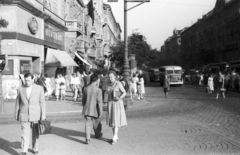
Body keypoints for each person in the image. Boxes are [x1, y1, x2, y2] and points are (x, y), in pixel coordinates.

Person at [14, 73, 46, 155]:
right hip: (24, 113)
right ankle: (24, 150)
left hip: (36, 114)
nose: (27, 82)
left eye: (28, 80)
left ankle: (35, 148)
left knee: (35, 132)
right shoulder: (20, 88)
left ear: (32, 79)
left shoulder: (39, 88)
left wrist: (43, 115)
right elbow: (18, 102)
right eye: (25, 80)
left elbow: (42, 102)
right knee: (24, 132)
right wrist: (16, 113)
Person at [105, 71, 127, 145]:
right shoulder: (108, 84)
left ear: (115, 77)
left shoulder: (118, 83)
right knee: (112, 121)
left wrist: (119, 97)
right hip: (110, 103)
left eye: (111, 77)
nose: (110, 78)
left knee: (116, 120)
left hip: (117, 103)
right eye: (109, 77)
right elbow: (107, 93)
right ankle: (115, 135)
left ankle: (114, 136)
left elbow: (124, 92)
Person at [82, 73, 103, 144]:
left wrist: (84, 106)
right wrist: (100, 112)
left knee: (87, 124)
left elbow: (83, 100)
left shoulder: (86, 88)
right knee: (97, 123)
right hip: (95, 110)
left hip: (87, 109)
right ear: (97, 80)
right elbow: (100, 102)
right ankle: (97, 134)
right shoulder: (98, 90)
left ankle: (87, 139)